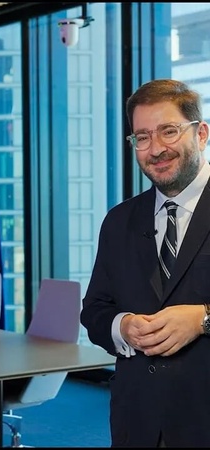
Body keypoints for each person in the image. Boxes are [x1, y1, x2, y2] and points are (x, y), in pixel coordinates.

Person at [80, 79, 210, 448]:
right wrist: (123, 326)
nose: (156, 149)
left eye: (169, 131)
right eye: (142, 137)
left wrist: (203, 319)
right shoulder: (119, 220)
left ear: (201, 133)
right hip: (137, 423)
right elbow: (95, 311)